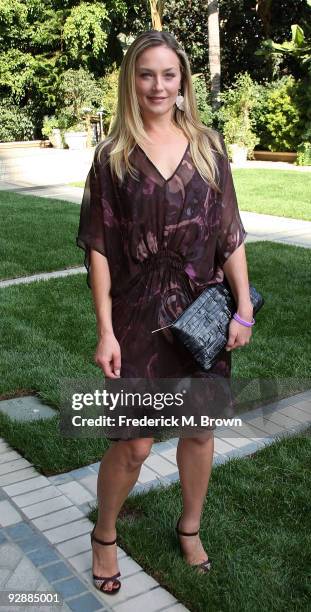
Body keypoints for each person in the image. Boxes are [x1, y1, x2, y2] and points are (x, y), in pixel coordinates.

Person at [77, 30, 254, 595]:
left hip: (201, 311)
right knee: (134, 442)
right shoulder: (113, 157)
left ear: (183, 82)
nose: (157, 84)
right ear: (132, 80)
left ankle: (190, 526)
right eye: (146, 73)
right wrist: (105, 330)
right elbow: (100, 247)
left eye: (168, 74)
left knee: (199, 431)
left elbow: (230, 234)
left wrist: (243, 309)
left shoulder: (208, 146)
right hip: (136, 314)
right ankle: (104, 535)